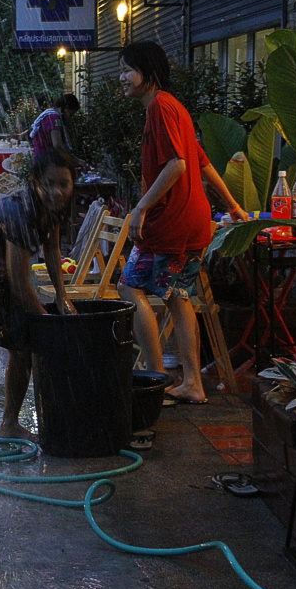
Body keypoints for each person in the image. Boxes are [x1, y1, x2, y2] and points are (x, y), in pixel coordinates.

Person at [117, 41, 249, 404]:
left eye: (128, 69)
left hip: (172, 223)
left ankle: (157, 379)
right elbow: (203, 163)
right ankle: (192, 382)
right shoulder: (172, 108)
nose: (122, 76)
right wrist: (234, 205)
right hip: (192, 222)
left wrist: (141, 208)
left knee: (129, 286)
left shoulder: (161, 106)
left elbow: (179, 164)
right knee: (178, 296)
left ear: (149, 73)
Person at [0, 149, 77, 457]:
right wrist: (47, 320)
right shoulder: (19, 212)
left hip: (5, 280)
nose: (57, 191)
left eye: (64, 184)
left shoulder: (54, 208)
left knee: (23, 349)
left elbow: (52, 250)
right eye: (49, 184)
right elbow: (19, 282)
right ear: (35, 182)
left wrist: (62, 297)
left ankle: (9, 424)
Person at [29, 94, 80, 159]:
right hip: (46, 161)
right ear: (66, 108)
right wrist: (74, 160)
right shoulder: (54, 118)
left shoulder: (48, 114)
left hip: (41, 157)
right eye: (71, 114)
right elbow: (57, 145)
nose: (69, 118)